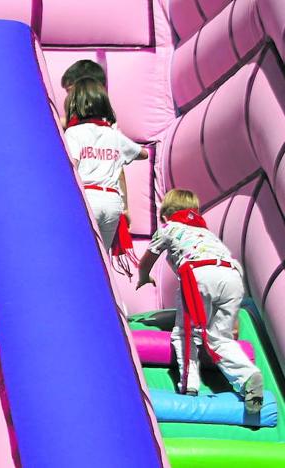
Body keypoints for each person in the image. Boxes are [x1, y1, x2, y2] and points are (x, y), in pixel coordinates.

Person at [136, 189, 263, 413]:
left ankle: (189, 385)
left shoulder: (169, 227)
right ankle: (248, 376)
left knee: (186, 333)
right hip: (232, 274)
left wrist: (144, 277)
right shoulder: (206, 233)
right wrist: (233, 324)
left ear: (166, 213)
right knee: (220, 338)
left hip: (198, 274)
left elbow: (146, 260)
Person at [63, 78, 148, 269]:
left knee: (79, 254)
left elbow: (72, 165)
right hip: (112, 201)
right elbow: (143, 154)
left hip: (87, 196)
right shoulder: (113, 135)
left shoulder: (75, 133)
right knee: (101, 260)